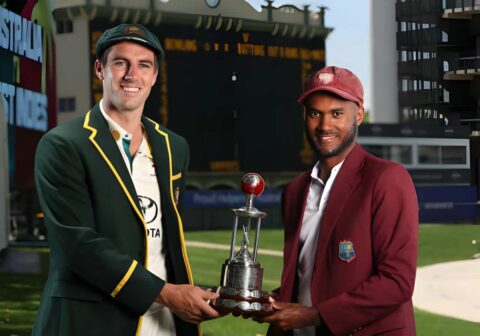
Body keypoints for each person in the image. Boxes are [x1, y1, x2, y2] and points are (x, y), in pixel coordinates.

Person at [32, 23, 219, 336]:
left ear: (155, 76)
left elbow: (165, 243)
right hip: (90, 321)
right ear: (100, 70)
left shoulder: (174, 146)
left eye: (144, 65)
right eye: (120, 63)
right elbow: (78, 246)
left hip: (165, 324)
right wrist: (167, 294)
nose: (132, 75)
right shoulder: (63, 144)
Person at [261, 66, 418, 335]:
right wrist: (272, 301)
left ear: (359, 114)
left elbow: (396, 281)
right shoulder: (295, 190)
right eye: (315, 114)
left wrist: (315, 315)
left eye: (336, 114)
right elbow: (312, 275)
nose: (324, 126)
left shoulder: (386, 178)